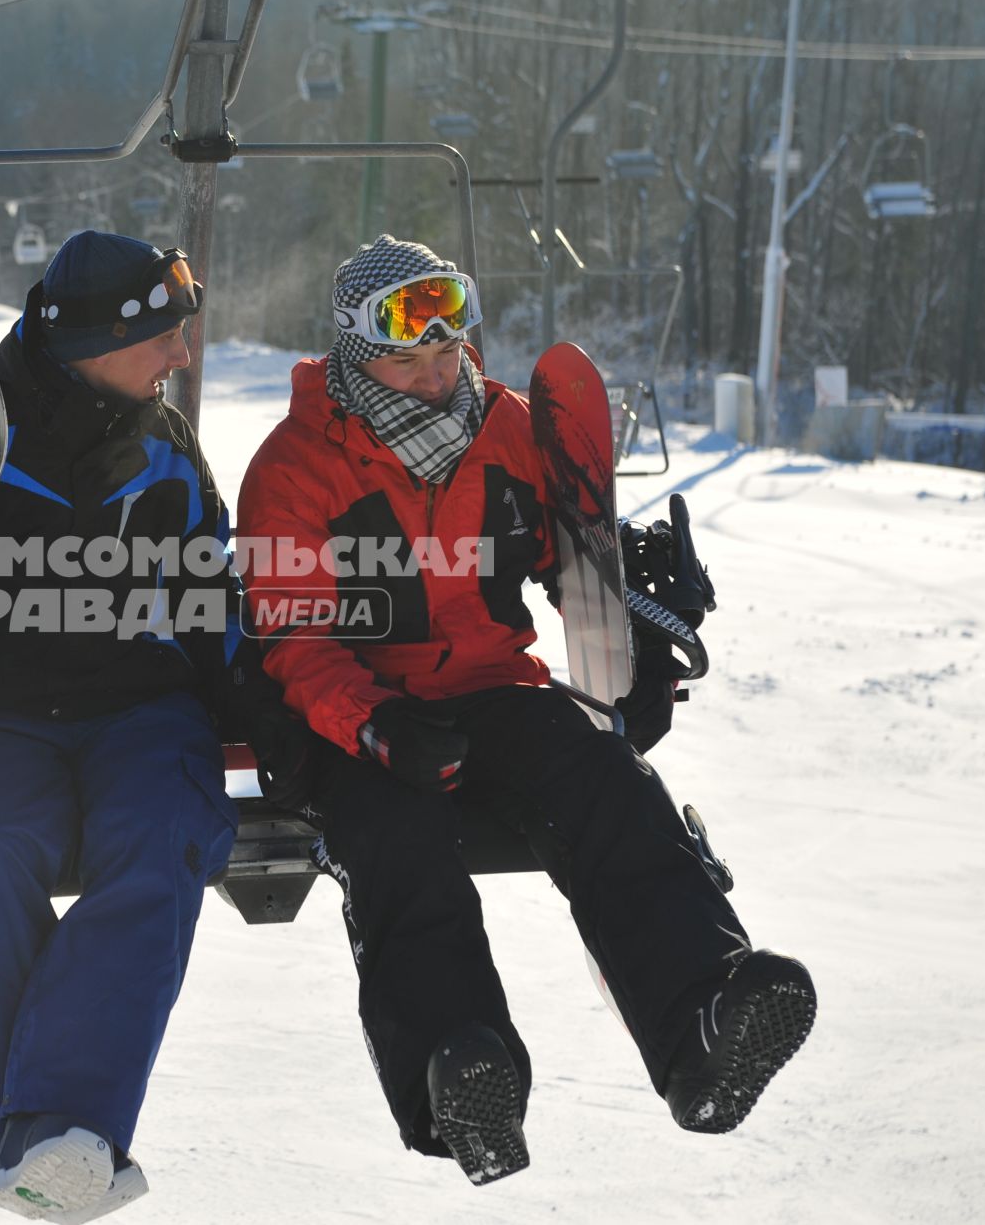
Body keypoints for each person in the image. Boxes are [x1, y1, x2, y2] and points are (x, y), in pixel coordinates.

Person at [235, 235, 816, 1187]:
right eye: (407, 358)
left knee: (603, 780)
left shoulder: (503, 426)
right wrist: (375, 723)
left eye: (446, 351)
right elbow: (294, 640)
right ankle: (459, 1078)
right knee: (396, 842)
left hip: (493, 686)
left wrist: (636, 612)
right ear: (352, 351)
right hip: (361, 712)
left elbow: (562, 551)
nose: (434, 376)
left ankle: (700, 1022)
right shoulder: (297, 466)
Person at [0, 231, 295, 1221]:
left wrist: (259, 699)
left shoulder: (164, 446)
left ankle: (46, 1129)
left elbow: (212, 591)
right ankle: (36, 1134)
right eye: (165, 335)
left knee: (163, 838)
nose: (182, 356)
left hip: (141, 703)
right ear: (93, 339)